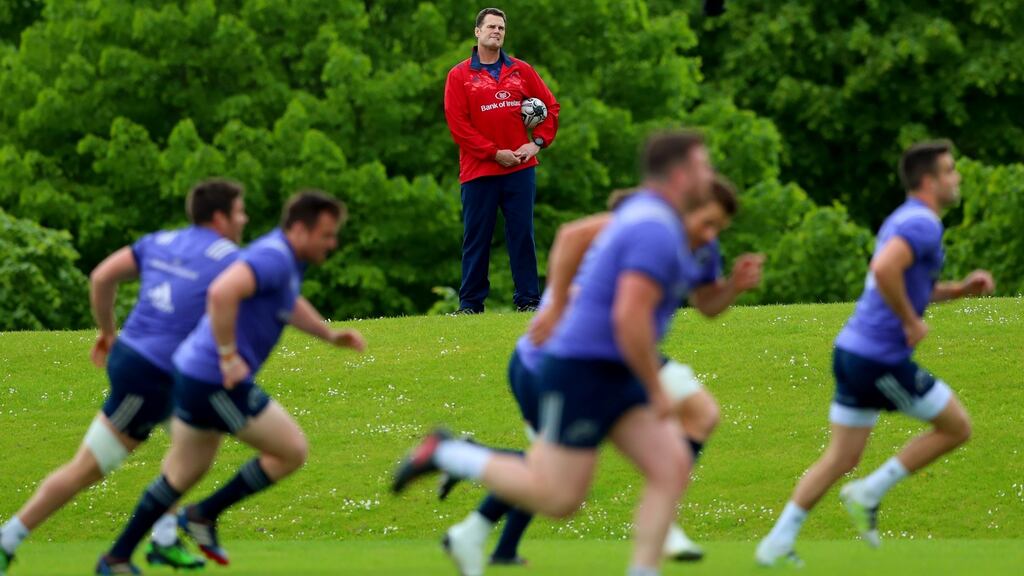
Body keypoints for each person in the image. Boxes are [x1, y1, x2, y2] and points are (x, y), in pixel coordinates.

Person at [394, 130, 714, 576]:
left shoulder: (651, 215)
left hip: (609, 367)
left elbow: (574, 241)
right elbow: (628, 319)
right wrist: (654, 386)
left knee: (670, 466)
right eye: (704, 166)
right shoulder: (653, 228)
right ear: (680, 175)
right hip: (583, 368)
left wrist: (561, 301)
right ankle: (448, 454)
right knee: (560, 498)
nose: (710, 175)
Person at [439, 177, 763, 575]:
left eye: (718, 228)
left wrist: (733, 286)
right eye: (707, 223)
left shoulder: (696, 246)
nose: (711, 235)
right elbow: (587, 265)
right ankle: (458, 465)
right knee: (556, 487)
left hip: (617, 358)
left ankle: (478, 523)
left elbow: (701, 303)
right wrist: (556, 305)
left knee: (679, 444)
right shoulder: (641, 232)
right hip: (560, 362)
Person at [96, 191, 367, 575]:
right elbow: (222, 291)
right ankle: (202, 516)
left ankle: (117, 558)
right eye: (326, 234)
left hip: (193, 374)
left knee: (183, 474)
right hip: (212, 380)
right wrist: (227, 355)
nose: (332, 242)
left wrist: (328, 335)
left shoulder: (284, 260)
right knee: (291, 450)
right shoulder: (273, 256)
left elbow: (287, 302)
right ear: (301, 229)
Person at [755, 140, 995, 567]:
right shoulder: (923, 224)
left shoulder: (903, 220)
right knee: (957, 427)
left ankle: (777, 540)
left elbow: (904, 280)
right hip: (878, 359)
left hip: (851, 352)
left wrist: (958, 290)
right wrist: (909, 321)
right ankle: (869, 492)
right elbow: (883, 270)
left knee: (842, 457)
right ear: (929, 180)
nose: (956, 178)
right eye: (950, 170)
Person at [0, 180, 248, 576]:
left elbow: (101, 277)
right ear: (219, 218)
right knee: (88, 467)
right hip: (148, 375)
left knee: (197, 442)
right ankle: (7, 539)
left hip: (155, 367)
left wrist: (107, 332)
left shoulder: (161, 241)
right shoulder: (228, 257)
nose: (244, 218)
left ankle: (165, 537)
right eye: (239, 211)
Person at [445, 7, 560, 313]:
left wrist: (536, 144)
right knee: (477, 237)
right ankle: (470, 304)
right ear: (477, 32)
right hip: (478, 170)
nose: (496, 31)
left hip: (520, 169)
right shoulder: (459, 75)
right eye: (491, 27)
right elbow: (458, 125)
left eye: (501, 28)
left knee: (522, 233)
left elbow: (550, 106)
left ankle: (528, 300)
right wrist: (494, 153)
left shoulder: (521, 70)